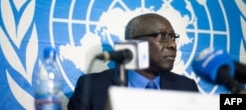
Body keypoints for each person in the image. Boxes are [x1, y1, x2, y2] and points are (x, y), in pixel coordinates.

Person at [67, 13, 199, 110]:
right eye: (162, 36)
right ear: (135, 42)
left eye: (173, 38)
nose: (173, 45)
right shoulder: (91, 87)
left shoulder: (187, 88)